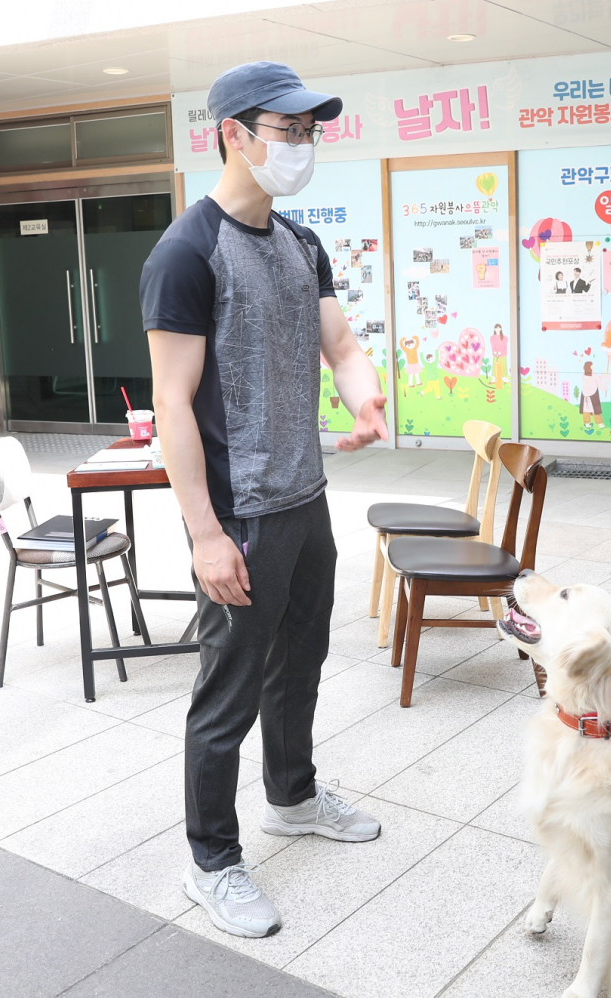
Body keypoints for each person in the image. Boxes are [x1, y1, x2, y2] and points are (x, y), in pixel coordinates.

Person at [141, 61, 387, 940]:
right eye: (285, 130)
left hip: (304, 498)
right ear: (232, 135)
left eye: (308, 130)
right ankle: (210, 861)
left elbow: (341, 339)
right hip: (237, 514)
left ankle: (293, 795)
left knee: (300, 665)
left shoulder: (300, 243)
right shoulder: (184, 253)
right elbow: (172, 403)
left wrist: (361, 391)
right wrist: (204, 534)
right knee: (227, 694)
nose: (301, 145)